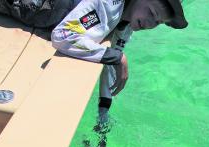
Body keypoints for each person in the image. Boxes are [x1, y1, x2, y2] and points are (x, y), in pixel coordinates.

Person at [51, 0, 188, 125]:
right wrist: (118, 58)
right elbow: (62, 35)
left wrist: (103, 113)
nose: (150, 24)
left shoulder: (128, 20)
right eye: (151, 13)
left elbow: (113, 58)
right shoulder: (107, 3)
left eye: (158, 22)